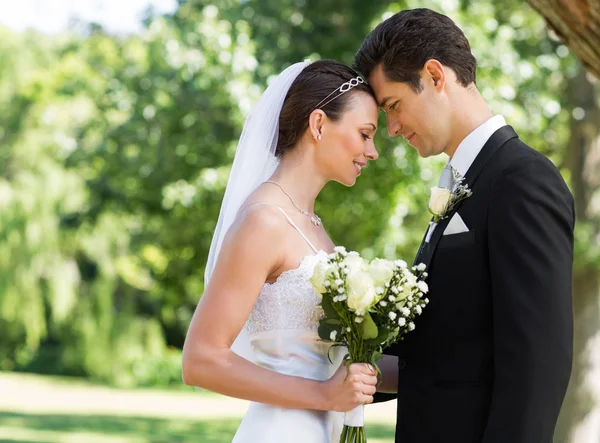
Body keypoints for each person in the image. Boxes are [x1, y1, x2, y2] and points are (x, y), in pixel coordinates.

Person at [354, 8, 575, 443]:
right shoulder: (463, 181)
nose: (393, 129)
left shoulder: (522, 180)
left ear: (436, 76)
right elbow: (448, 347)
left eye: (393, 106)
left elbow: (538, 364)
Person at [181, 59, 380, 443]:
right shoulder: (265, 221)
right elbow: (200, 360)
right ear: (319, 124)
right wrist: (324, 395)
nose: (372, 152)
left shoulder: (312, 225)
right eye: (365, 134)